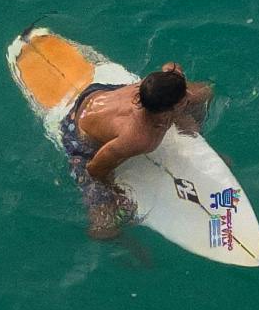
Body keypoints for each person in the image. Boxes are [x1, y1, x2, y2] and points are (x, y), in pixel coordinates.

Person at [61, 61, 214, 230]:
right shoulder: (138, 137)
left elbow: (170, 66)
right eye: (183, 100)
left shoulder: (154, 86)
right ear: (173, 107)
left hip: (100, 92)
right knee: (105, 226)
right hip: (79, 131)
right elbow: (95, 168)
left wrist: (191, 123)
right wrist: (114, 191)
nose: (187, 96)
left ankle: (189, 126)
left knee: (202, 93)